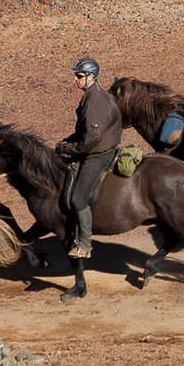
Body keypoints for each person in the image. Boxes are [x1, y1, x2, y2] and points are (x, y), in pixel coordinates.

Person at [57, 57, 124, 259]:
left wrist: (73, 149)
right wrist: (67, 142)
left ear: (90, 77)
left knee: (78, 199)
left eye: (79, 76)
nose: (75, 80)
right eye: (76, 76)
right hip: (98, 146)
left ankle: (85, 244)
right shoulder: (95, 94)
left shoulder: (95, 99)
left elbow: (92, 137)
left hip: (98, 154)